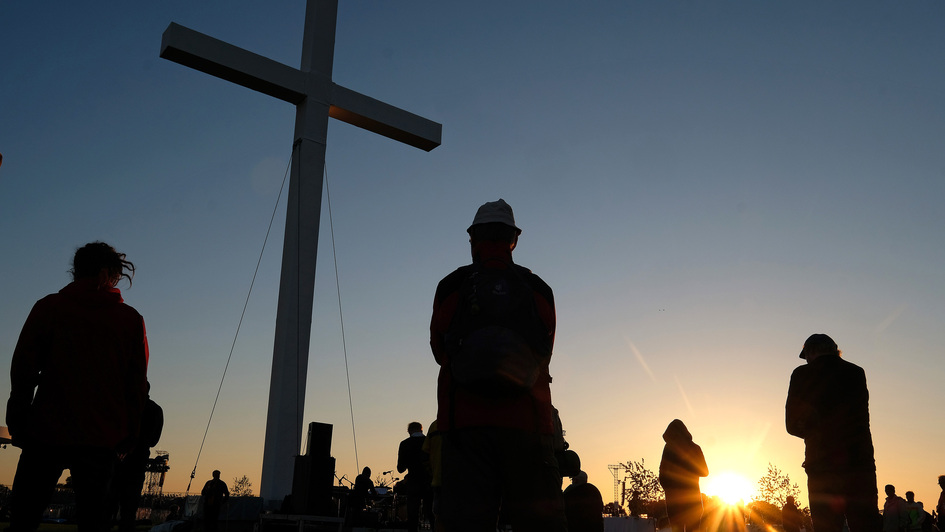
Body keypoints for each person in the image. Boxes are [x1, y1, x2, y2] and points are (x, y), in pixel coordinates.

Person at [430, 199, 566, 531]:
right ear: (513, 240)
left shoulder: (452, 286)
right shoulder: (538, 290)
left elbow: (439, 348)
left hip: (465, 430)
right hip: (529, 429)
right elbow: (545, 351)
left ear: (474, 240)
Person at [6, 242, 149, 532]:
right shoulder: (130, 320)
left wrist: (18, 420)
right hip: (101, 437)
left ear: (76, 271)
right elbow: (136, 385)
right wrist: (130, 434)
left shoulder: (49, 308)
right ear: (111, 274)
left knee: (23, 519)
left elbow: (24, 369)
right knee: (94, 523)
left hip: (46, 431)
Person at [786, 333, 880, 532]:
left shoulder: (801, 374)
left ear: (811, 351)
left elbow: (792, 425)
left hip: (822, 465)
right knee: (866, 525)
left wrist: (815, 438)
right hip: (860, 463)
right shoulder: (856, 372)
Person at [112, 395, 164, 532]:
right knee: (130, 504)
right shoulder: (155, 410)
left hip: (119, 457)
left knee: (111, 497)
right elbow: (154, 440)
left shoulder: (123, 405)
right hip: (138, 459)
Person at [658, 419, 709, 532]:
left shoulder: (694, 448)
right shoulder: (669, 448)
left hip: (688, 502)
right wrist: (669, 490)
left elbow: (705, 472)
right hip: (680, 502)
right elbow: (662, 474)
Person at [397, 421, 433, 532]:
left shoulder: (404, 444)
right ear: (421, 430)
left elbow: (400, 468)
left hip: (413, 482)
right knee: (432, 513)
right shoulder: (429, 442)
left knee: (412, 515)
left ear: (409, 431)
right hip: (429, 482)